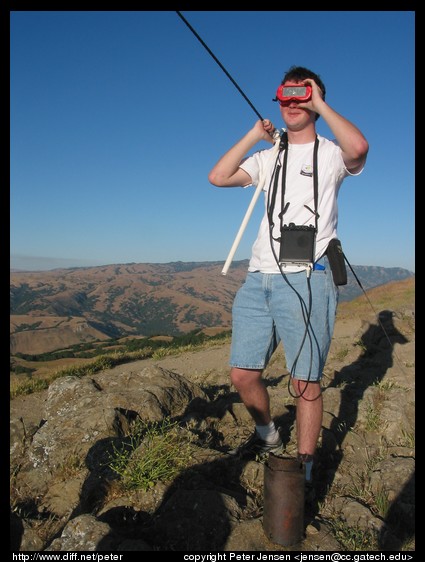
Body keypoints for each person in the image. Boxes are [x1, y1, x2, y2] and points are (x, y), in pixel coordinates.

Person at [208, 66, 369, 484]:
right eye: (286, 95)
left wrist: (319, 103)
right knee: (243, 374)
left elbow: (360, 147)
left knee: (304, 383)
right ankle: (268, 435)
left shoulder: (332, 153)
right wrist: (253, 135)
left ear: (314, 99)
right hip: (258, 277)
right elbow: (218, 177)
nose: (292, 102)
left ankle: (305, 470)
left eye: (302, 95)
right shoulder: (268, 158)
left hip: (308, 278)